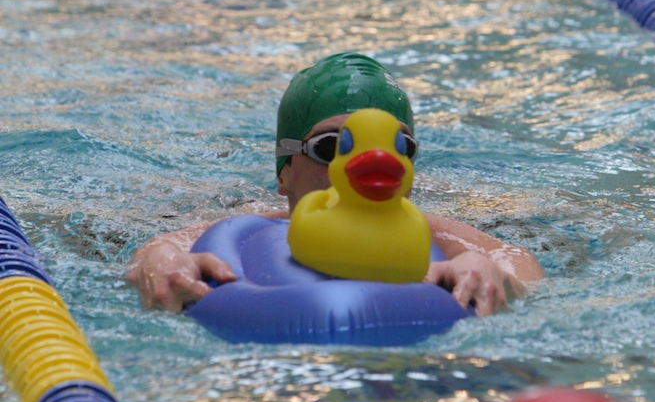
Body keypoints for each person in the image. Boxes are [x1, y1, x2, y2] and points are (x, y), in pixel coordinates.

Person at [127, 52, 544, 316]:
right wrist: (159, 261)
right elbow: (157, 249)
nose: (362, 165)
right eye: (331, 146)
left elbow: (519, 265)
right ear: (284, 173)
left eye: (396, 147)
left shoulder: (440, 235)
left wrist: (488, 269)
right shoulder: (251, 226)